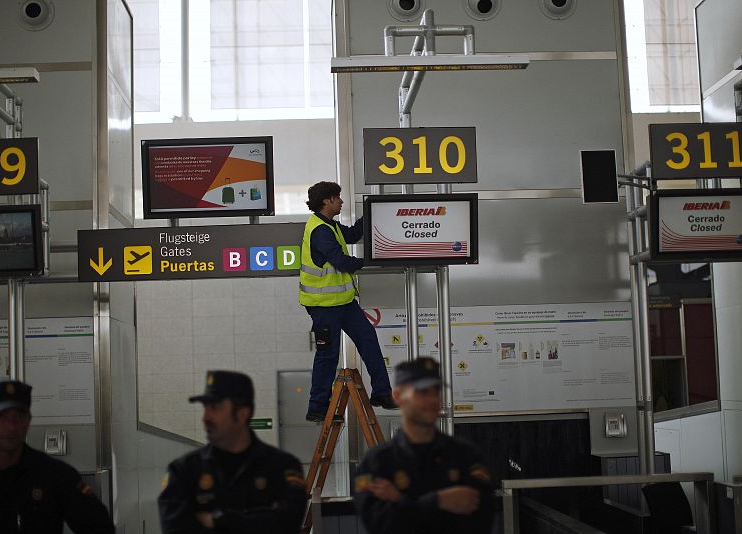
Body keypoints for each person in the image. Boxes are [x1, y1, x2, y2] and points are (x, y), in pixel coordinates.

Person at [0, 380, 114, 533]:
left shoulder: (55, 476)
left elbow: (100, 527)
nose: (11, 426)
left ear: (28, 420)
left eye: (18, 417)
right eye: (1, 417)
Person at [354, 357, 495, 534]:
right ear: (397, 396)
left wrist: (402, 503)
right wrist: (438, 501)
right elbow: (381, 526)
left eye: (435, 391)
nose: (432, 400)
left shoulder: (466, 456)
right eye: (422, 392)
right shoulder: (377, 463)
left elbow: (478, 524)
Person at [159, 370, 307, 534]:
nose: (205, 417)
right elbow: (176, 529)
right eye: (205, 408)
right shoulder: (183, 471)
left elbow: (287, 524)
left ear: (242, 413)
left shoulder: (283, 467)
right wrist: (258, 521)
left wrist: (218, 520)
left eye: (215, 407)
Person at [300, 181, 396, 422]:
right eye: (338, 198)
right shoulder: (319, 230)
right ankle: (317, 408)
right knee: (327, 355)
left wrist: (372, 210)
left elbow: (353, 234)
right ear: (327, 201)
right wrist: (370, 261)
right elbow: (341, 261)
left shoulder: (328, 226)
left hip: (343, 304)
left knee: (368, 341)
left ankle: (382, 393)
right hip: (323, 307)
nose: (341, 202)